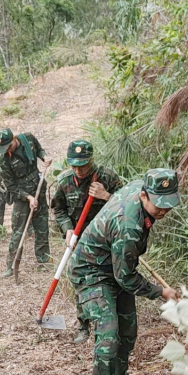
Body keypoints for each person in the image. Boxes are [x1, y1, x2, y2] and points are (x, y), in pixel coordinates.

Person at [68, 169, 180, 375]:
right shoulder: (129, 226)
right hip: (91, 271)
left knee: (128, 329)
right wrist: (160, 292)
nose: (163, 210)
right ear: (143, 195)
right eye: (159, 204)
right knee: (109, 332)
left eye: (168, 204)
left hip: (115, 265)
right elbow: (126, 278)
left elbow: (124, 272)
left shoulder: (142, 187)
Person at [50, 139, 124, 344]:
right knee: (80, 280)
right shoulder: (64, 181)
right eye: (74, 165)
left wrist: (106, 195)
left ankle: (112, 324)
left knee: (112, 279)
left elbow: (127, 205)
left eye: (82, 165)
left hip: (107, 239)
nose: (78, 169)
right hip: (79, 239)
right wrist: (67, 230)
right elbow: (58, 209)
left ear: (91, 160)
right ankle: (83, 325)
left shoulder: (107, 177)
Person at [0, 128, 51, 277]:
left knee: (42, 226)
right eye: (3, 148)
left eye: (9, 146)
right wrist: (28, 198)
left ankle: (43, 261)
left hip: (38, 188)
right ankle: (11, 265)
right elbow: (11, 187)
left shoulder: (28, 139)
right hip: (21, 196)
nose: (7, 150)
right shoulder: (3, 160)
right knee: (18, 231)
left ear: (15, 139)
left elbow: (40, 149)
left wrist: (44, 157)